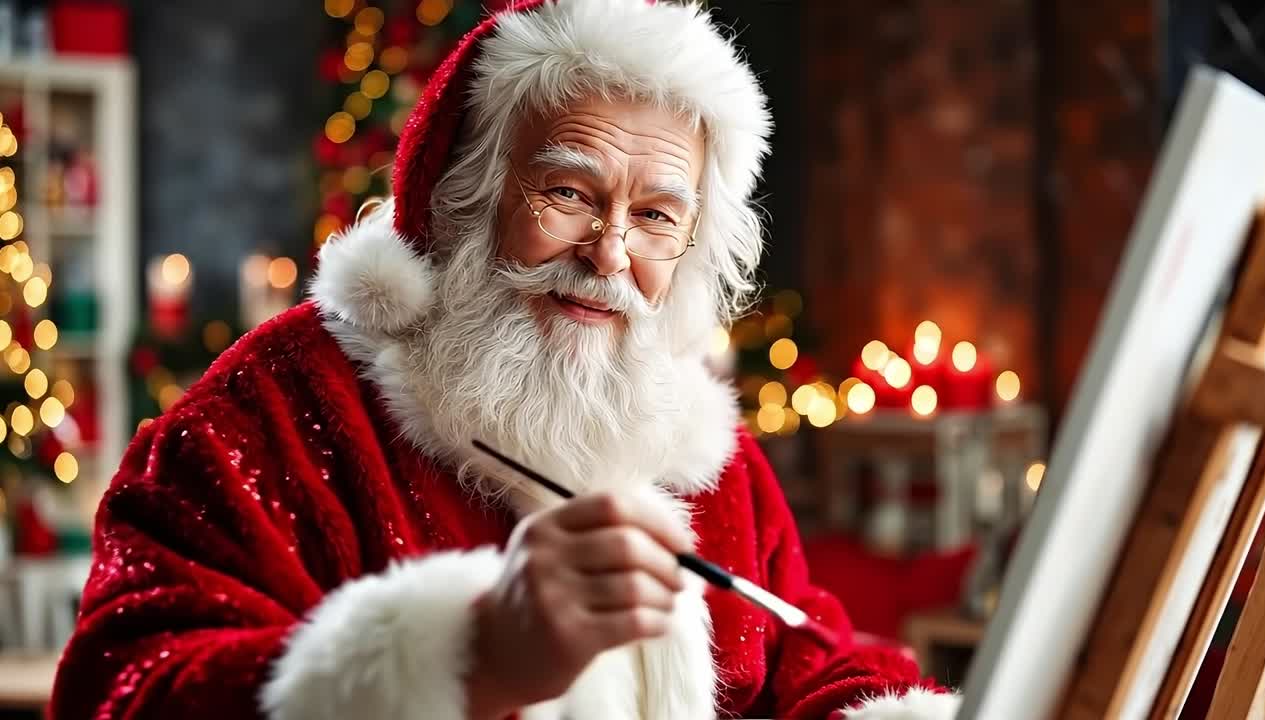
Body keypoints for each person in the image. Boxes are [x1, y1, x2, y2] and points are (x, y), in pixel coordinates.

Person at [50, 1, 962, 718]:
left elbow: (812, 659)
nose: (609, 254)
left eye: (655, 215)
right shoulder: (275, 410)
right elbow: (125, 686)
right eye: (567, 191)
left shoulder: (695, 443)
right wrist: (473, 656)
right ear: (465, 197)